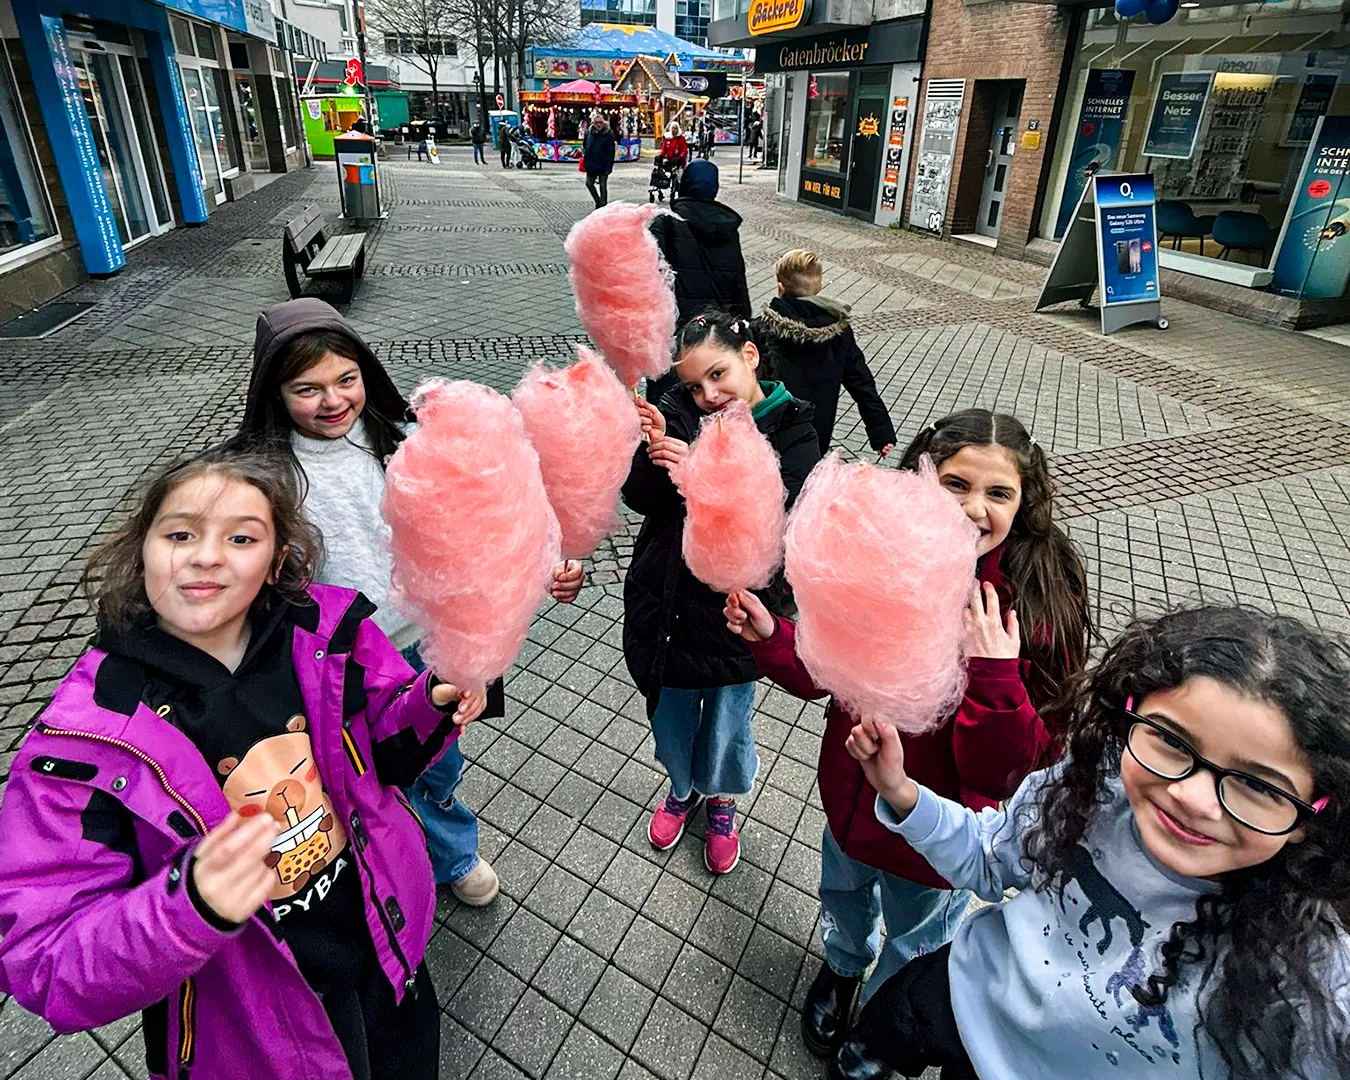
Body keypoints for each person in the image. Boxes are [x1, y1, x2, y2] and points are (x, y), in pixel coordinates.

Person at [0, 445, 489, 1080]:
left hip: (386, 946)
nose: (206, 556)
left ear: (277, 559)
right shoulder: (84, 740)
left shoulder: (329, 634)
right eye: (180, 534)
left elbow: (382, 755)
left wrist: (429, 704)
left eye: (241, 537)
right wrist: (187, 907)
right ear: (142, 550)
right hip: (252, 1024)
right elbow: (43, 957)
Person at [832, 606, 1350, 1080]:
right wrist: (902, 794)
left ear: (1315, 813)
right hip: (966, 995)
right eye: (1171, 740)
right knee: (885, 1029)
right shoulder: (1093, 791)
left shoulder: (1308, 975)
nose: (1193, 799)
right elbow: (990, 857)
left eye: (1258, 786)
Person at [726, 408, 1091, 1057]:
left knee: (917, 935)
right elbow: (827, 672)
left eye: (998, 492)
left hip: (935, 839)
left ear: (1025, 502)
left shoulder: (1034, 608)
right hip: (849, 800)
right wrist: (773, 637)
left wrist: (995, 675)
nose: (974, 507)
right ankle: (843, 966)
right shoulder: (882, 556)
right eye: (956, 484)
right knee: (842, 894)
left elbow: (1015, 771)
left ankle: (883, 1021)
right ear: (921, 480)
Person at [239, 298, 585, 906]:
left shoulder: (405, 441)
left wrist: (542, 568)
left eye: (346, 379)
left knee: (438, 764)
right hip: (345, 664)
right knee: (367, 774)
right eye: (307, 389)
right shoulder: (267, 478)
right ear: (276, 392)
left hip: (430, 645)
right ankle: (393, 867)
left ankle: (451, 851)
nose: (332, 400)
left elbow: (485, 529)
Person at [623, 311, 821, 874]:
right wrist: (652, 449)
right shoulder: (679, 413)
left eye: (718, 374)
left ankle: (721, 800)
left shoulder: (794, 429)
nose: (708, 395)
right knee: (672, 715)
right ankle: (682, 788)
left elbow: (783, 517)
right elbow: (639, 497)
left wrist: (700, 474)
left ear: (749, 357)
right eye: (694, 385)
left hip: (739, 617)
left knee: (727, 723)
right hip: (668, 605)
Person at [754, 250, 896, 457]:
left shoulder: (761, 329)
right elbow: (861, 383)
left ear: (781, 287)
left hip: (767, 430)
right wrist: (882, 432)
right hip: (815, 433)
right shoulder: (838, 333)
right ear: (818, 287)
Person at [645, 161, 752, 403]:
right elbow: (738, 282)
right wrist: (743, 328)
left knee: (667, 409)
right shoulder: (728, 230)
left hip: (675, 340)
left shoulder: (666, 223)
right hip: (715, 339)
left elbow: (648, 278)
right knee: (710, 405)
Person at [582, 115, 617, 209]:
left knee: (602, 185)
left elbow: (611, 151)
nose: (598, 125)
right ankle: (598, 201)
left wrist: (609, 166)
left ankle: (603, 205)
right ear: (593, 123)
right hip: (591, 163)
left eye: (600, 122)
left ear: (603, 123)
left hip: (603, 163)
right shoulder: (589, 133)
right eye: (596, 123)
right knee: (589, 183)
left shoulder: (608, 134)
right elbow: (585, 146)